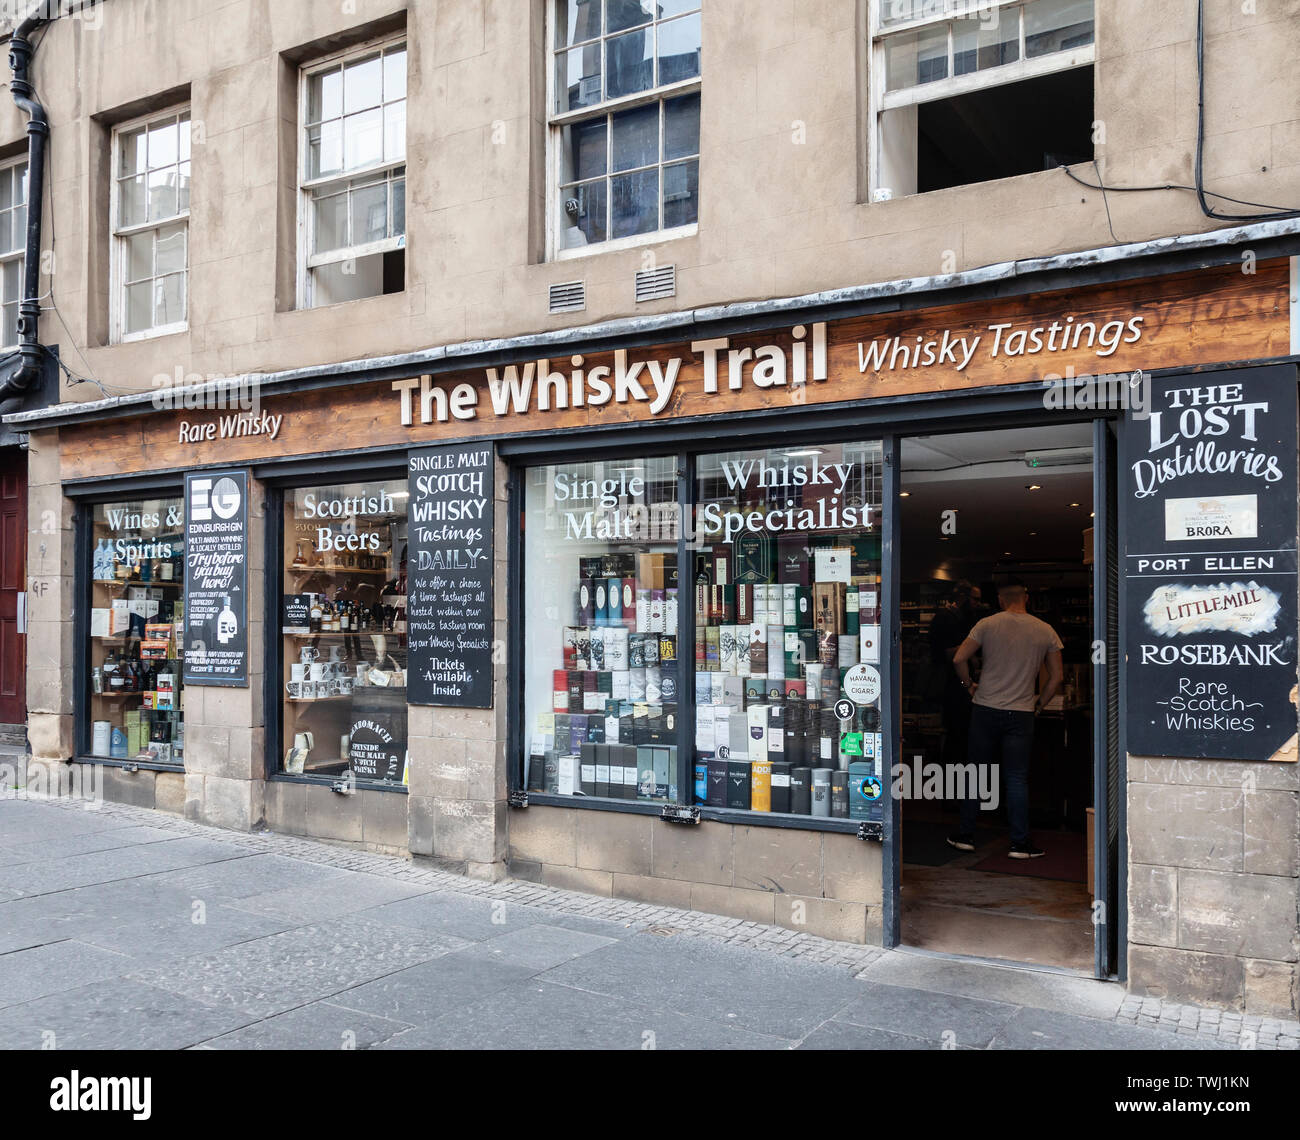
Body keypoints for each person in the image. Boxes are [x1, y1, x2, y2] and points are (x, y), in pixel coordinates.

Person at [948, 580, 1063, 859]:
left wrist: (969, 686)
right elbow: (1057, 677)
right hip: (1022, 712)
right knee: (1016, 779)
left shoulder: (987, 624)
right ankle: (1019, 844)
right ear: (1027, 597)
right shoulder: (1045, 630)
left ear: (1000, 600)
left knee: (975, 773)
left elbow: (959, 659)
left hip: (985, 708)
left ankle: (965, 835)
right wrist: (1039, 704)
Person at [928, 581, 984, 771]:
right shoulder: (945, 618)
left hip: (959, 683)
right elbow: (942, 654)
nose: (978, 603)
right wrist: (971, 646)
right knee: (955, 732)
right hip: (950, 684)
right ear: (963, 597)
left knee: (960, 733)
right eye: (975, 599)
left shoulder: (963, 618)